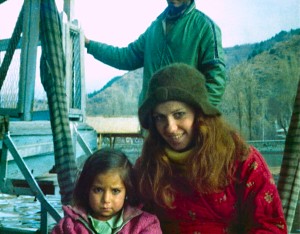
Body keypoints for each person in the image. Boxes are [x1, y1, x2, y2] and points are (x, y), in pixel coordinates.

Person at [135, 63, 288, 233]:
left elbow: (271, 226)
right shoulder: (147, 166)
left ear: (199, 114)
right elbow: (129, 219)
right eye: (160, 117)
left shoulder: (242, 160)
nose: (170, 128)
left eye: (179, 114)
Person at [85, 0, 226, 106]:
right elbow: (125, 57)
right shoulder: (154, 28)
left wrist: (195, 117)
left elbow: (216, 82)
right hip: (152, 127)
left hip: (185, 132)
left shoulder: (205, 27)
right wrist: (89, 44)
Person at [51, 148, 162, 234]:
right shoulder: (69, 225)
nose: (106, 200)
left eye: (115, 191)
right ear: (87, 189)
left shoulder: (145, 224)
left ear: (127, 191)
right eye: (98, 190)